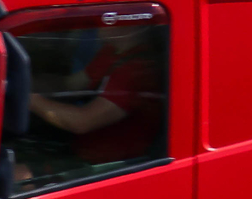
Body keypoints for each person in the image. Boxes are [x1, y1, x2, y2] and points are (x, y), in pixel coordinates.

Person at [24, 19, 164, 168]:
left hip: (109, 166)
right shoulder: (112, 51)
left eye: (110, 15)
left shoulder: (137, 69)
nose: (101, 20)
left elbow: (83, 121)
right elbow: (71, 84)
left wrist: (29, 100)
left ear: (128, 23)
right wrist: (26, 82)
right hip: (80, 149)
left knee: (18, 176)